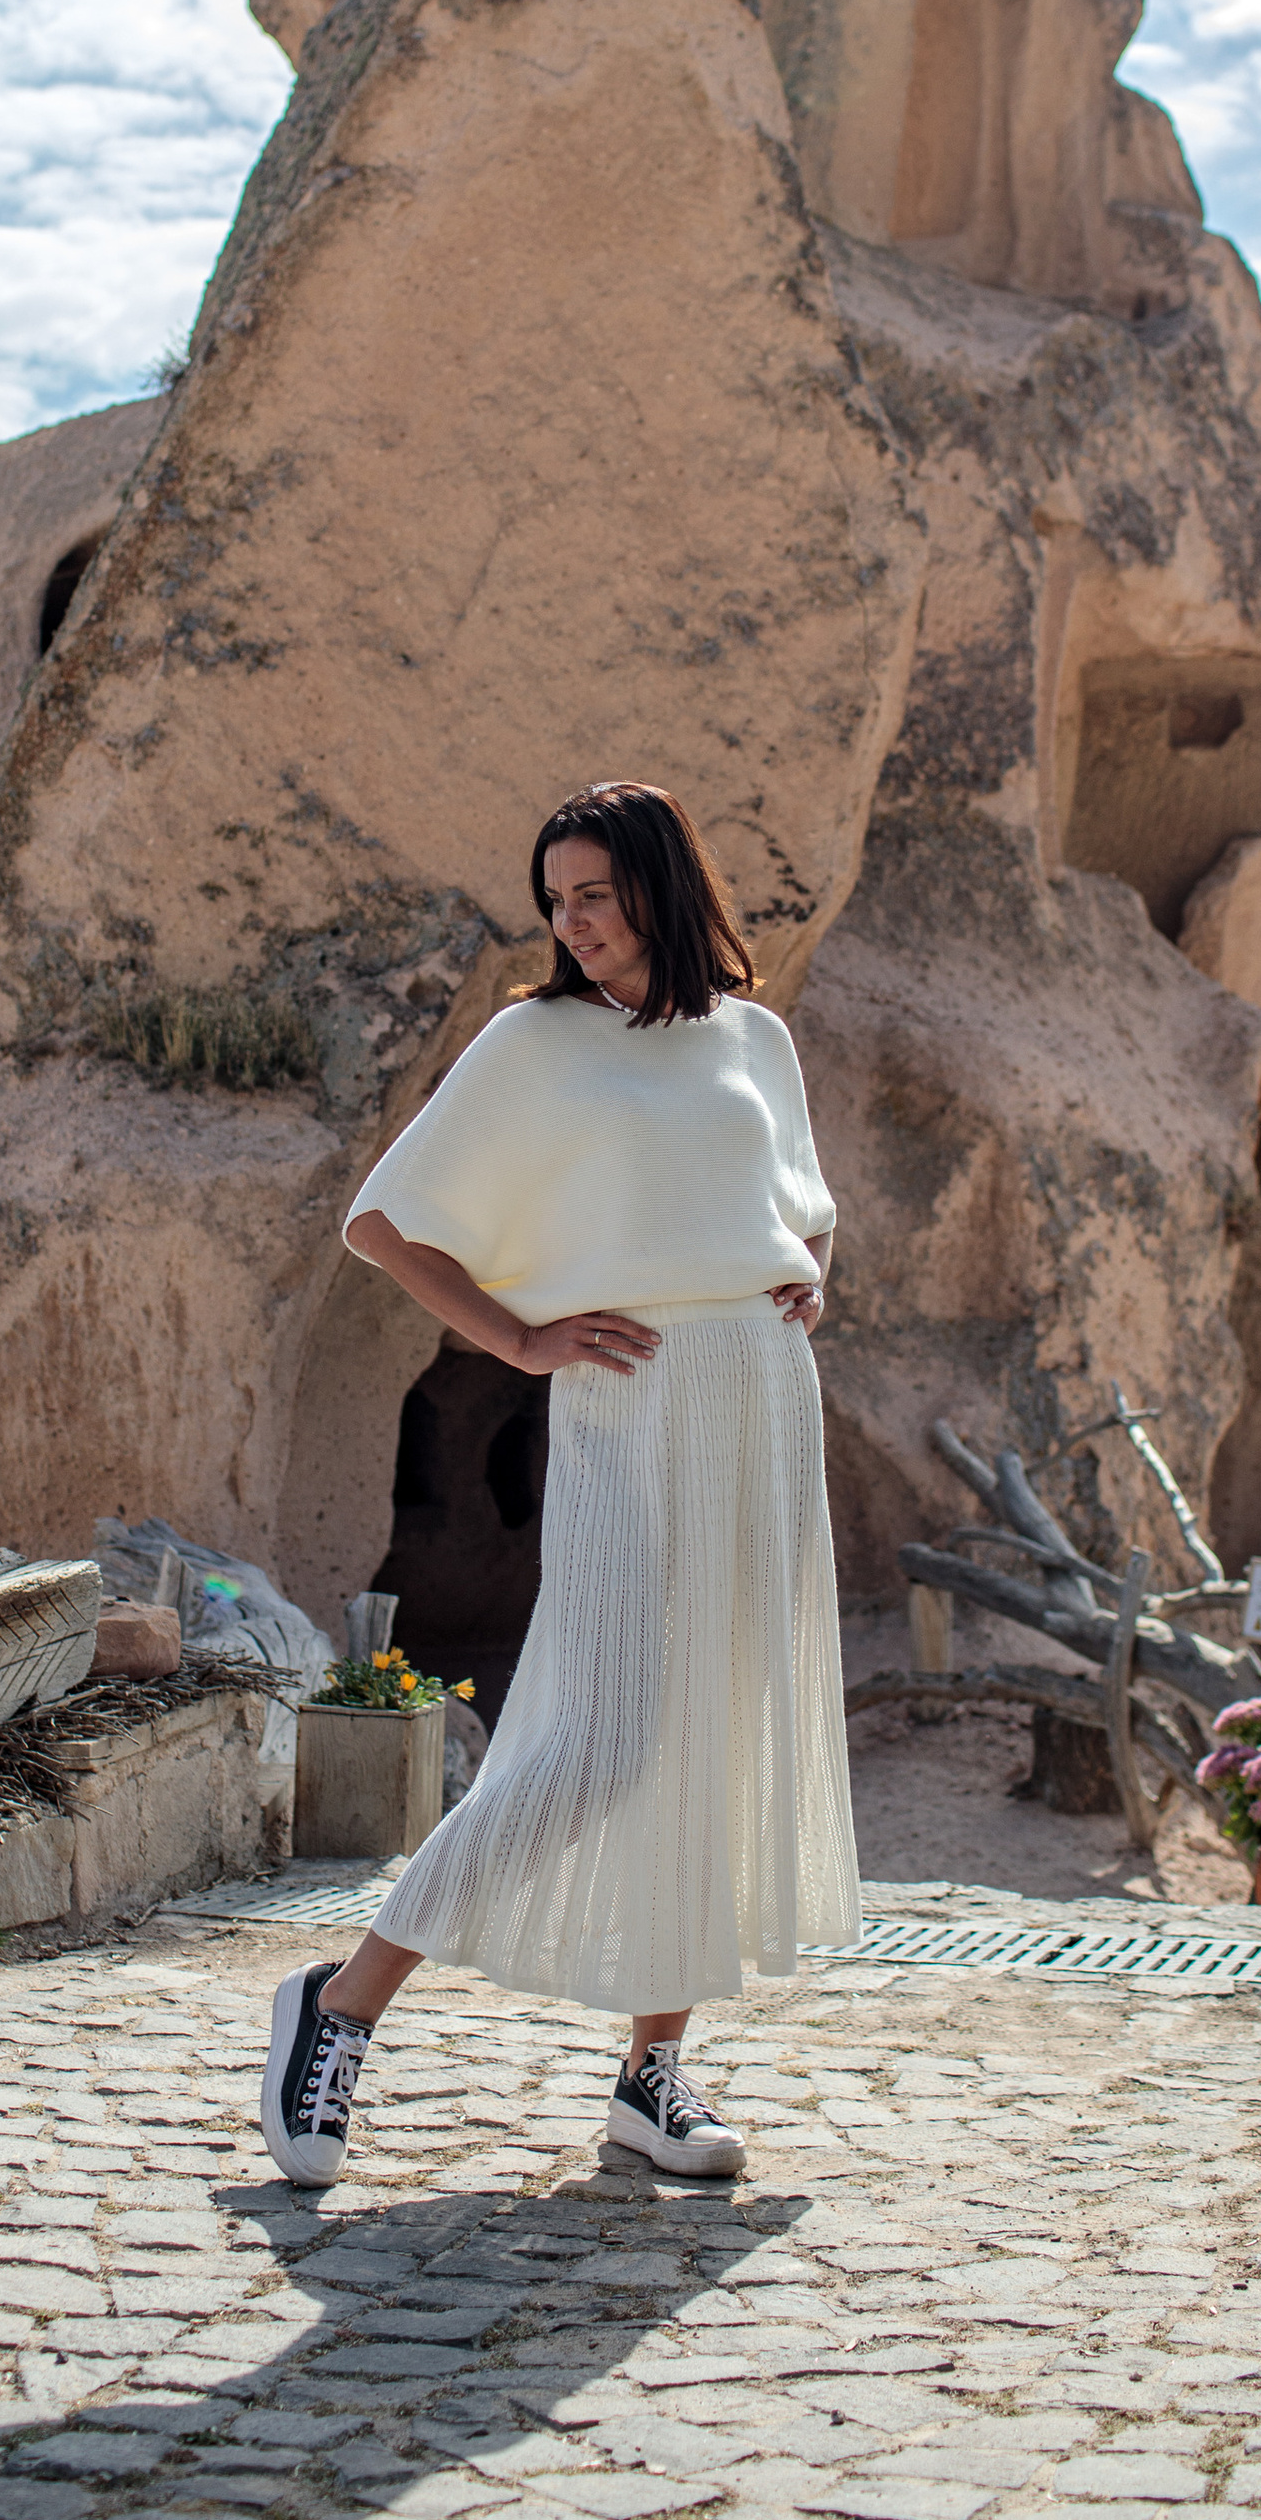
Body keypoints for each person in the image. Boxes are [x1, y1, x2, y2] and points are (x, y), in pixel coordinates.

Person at [260, 778, 860, 2190]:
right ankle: (337, 2011)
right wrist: (522, 1337)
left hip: (760, 1405)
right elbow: (383, 1223)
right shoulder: (536, 1041)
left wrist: (803, 1282)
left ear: (660, 881)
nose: (572, 924)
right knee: (597, 1739)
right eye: (557, 902)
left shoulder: (754, 1039)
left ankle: (653, 2077)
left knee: (714, 1727)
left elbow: (800, 1208)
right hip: (628, 1404)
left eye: (593, 893)